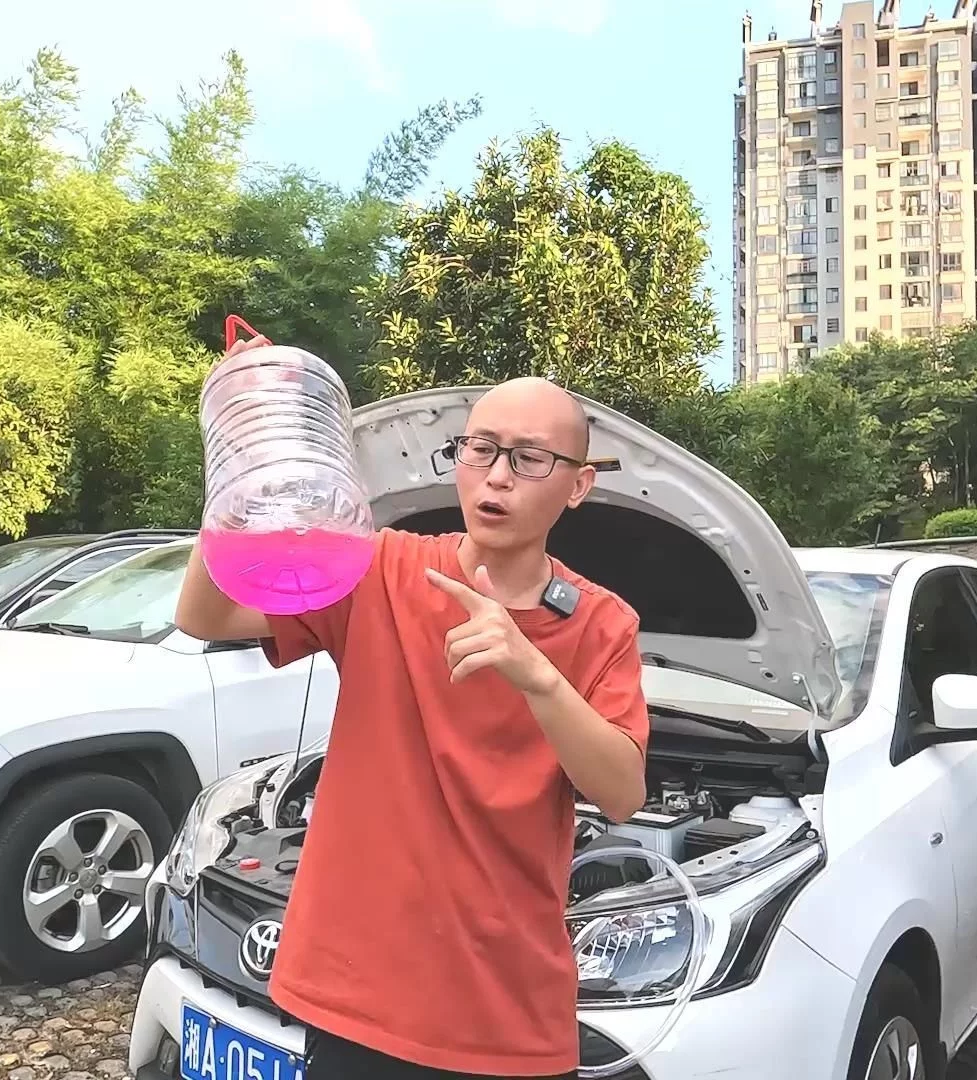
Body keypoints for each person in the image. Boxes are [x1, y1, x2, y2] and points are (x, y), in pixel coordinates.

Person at [175, 337, 651, 1080]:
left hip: (504, 1009)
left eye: (529, 458)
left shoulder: (601, 624)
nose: (497, 475)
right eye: (480, 449)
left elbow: (622, 794)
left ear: (578, 485)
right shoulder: (381, 568)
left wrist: (537, 674)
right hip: (356, 995)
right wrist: (250, 459)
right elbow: (206, 616)